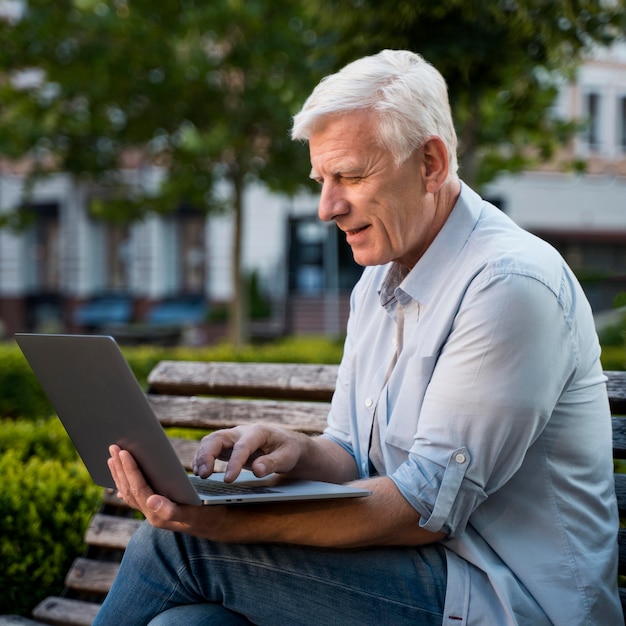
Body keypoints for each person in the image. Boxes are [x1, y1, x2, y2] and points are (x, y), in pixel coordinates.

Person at [93, 50, 622, 625]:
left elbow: (422, 510)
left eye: (350, 175)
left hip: (506, 600)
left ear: (430, 163)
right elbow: (350, 455)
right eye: (322, 180)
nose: (328, 207)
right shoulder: (376, 283)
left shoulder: (510, 285)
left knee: (179, 544)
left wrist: (226, 525)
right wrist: (295, 450)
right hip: (414, 576)